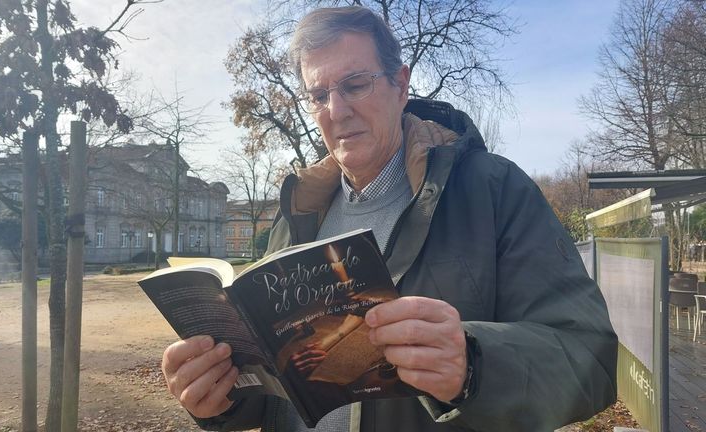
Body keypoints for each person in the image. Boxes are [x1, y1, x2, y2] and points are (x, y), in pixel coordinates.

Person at [161, 6, 618, 432]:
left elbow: (589, 359)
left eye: (355, 84)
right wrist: (223, 398)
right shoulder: (298, 211)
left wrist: (473, 365)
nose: (337, 110)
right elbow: (281, 392)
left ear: (401, 86)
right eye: (319, 94)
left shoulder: (494, 191)